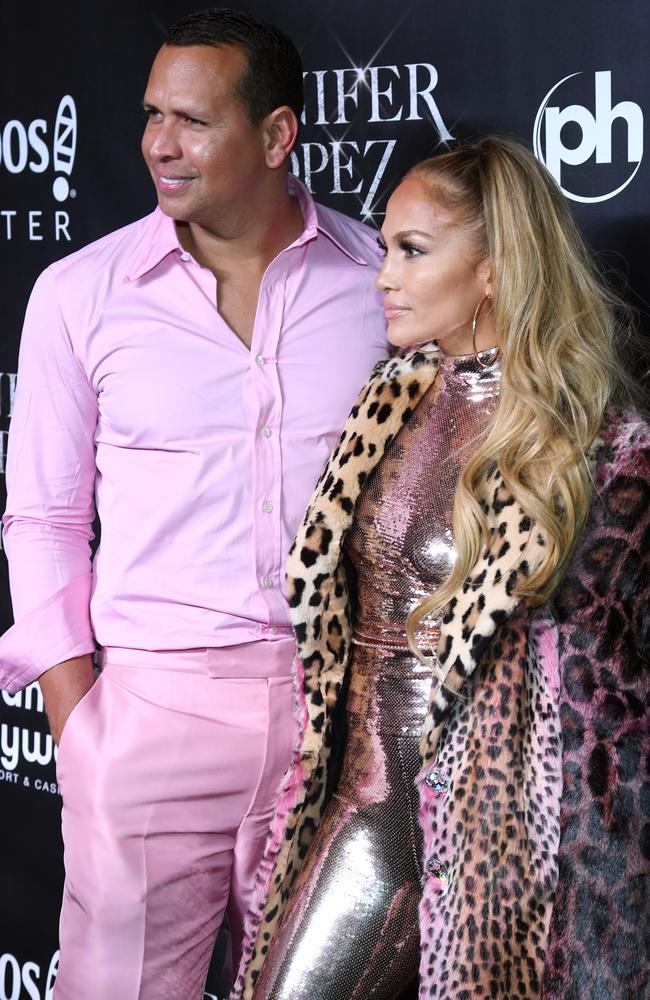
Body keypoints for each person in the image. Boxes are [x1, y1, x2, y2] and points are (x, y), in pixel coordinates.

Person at [0, 8, 387, 998]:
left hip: (332, 719)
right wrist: (78, 723)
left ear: (274, 136)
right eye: (149, 115)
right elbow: (41, 520)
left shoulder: (378, 281)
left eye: (191, 120)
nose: (157, 144)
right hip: (147, 717)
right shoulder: (77, 295)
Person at [231, 136, 650, 1000]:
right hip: (359, 809)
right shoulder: (390, 401)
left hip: (494, 845)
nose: (383, 275)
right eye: (386, 248)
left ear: (493, 271)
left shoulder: (597, 450)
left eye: (413, 251)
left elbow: (613, 697)